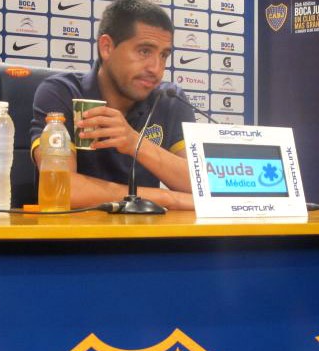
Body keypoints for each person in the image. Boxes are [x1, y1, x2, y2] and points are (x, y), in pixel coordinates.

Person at [30, 0, 195, 210]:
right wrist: (167, 198)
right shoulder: (61, 93)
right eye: (145, 51)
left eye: (164, 55)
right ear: (107, 47)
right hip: (75, 238)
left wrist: (135, 143)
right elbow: (60, 188)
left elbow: (201, 187)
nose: (156, 68)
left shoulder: (169, 98)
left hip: (149, 238)